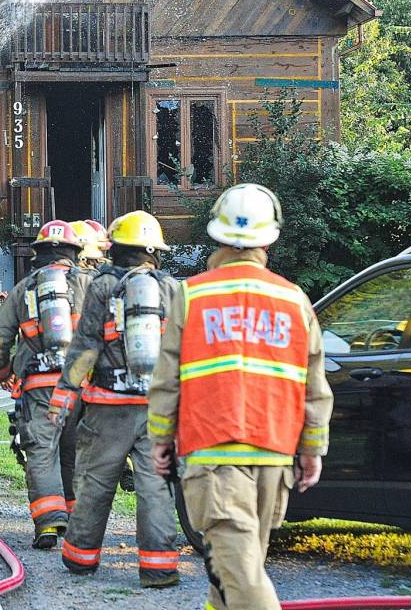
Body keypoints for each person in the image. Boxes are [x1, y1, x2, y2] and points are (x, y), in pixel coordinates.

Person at [147, 184, 333, 610]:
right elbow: (314, 386)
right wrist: (312, 450)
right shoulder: (294, 300)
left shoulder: (192, 295)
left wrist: (160, 439)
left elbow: (166, 378)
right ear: (270, 238)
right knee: (231, 574)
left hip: (214, 456)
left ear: (217, 235)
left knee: (242, 581)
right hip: (274, 458)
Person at [51, 211, 180, 587]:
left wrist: (63, 395)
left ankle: (81, 558)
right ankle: (158, 568)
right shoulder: (172, 288)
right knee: (156, 485)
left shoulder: (102, 285)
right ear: (154, 251)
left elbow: (86, 344)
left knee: (95, 480)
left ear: (115, 248)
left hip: (107, 406)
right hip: (156, 407)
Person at [0, 221, 92, 549]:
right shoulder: (91, 283)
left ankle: (48, 522)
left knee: (42, 451)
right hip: (81, 386)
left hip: (40, 386)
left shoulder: (24, 288)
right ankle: (75, 522)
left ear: (39, 254)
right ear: (74, 252)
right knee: (75, 452)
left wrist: (3, 373)